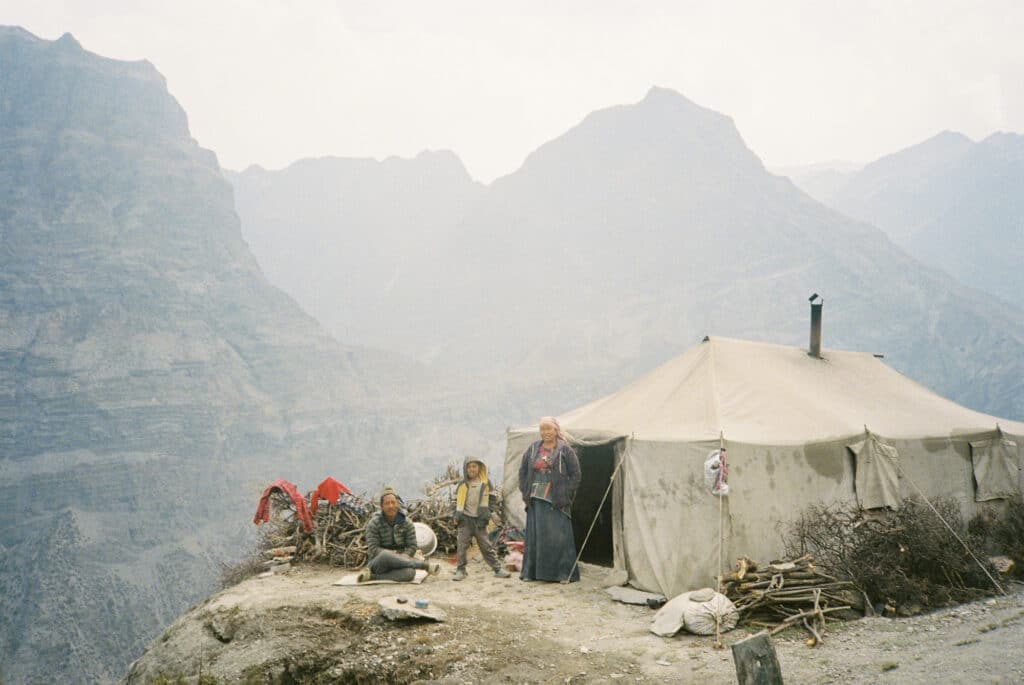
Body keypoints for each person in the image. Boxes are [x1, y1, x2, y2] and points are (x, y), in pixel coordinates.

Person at [518, 416, 582, 582]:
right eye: (543, 429)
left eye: (549, 429)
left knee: (558, 537)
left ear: (556, 430)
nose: (546, 432)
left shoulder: (565, 450)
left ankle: (562, 574)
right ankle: (532, 573)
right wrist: (525, 489)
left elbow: (576, 474)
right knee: (536, 536)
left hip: (556, 500)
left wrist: (565, 493)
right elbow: (523, 471)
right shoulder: (533, 449)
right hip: (536, 500)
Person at [360, 487, 440, 582]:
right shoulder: (374, 523)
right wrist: (394, 555)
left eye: (393, 502)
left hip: (402, 561)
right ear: (382, 506)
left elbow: (412, 545)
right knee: (386, 554)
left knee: (410, 573)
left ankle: (373, 577)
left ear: (397, 504)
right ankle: (424, 566)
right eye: (387, 503)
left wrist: (406, 555)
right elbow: (373, 548)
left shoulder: (406, 523)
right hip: (379, 562)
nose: (390, 506)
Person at [452, 456, 512, 581]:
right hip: (465, 520)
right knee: (462, 546)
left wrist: (487, 513)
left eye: (474, 466)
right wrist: (456, 516)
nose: (471, 469)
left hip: (480, 521)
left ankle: (497, 568)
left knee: (486, 546)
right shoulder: (462, 485)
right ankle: (460, 570)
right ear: (465, 469)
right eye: (469, 467)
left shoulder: (485, 483)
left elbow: (492, 499)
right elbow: (455, 501)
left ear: (479, 467)